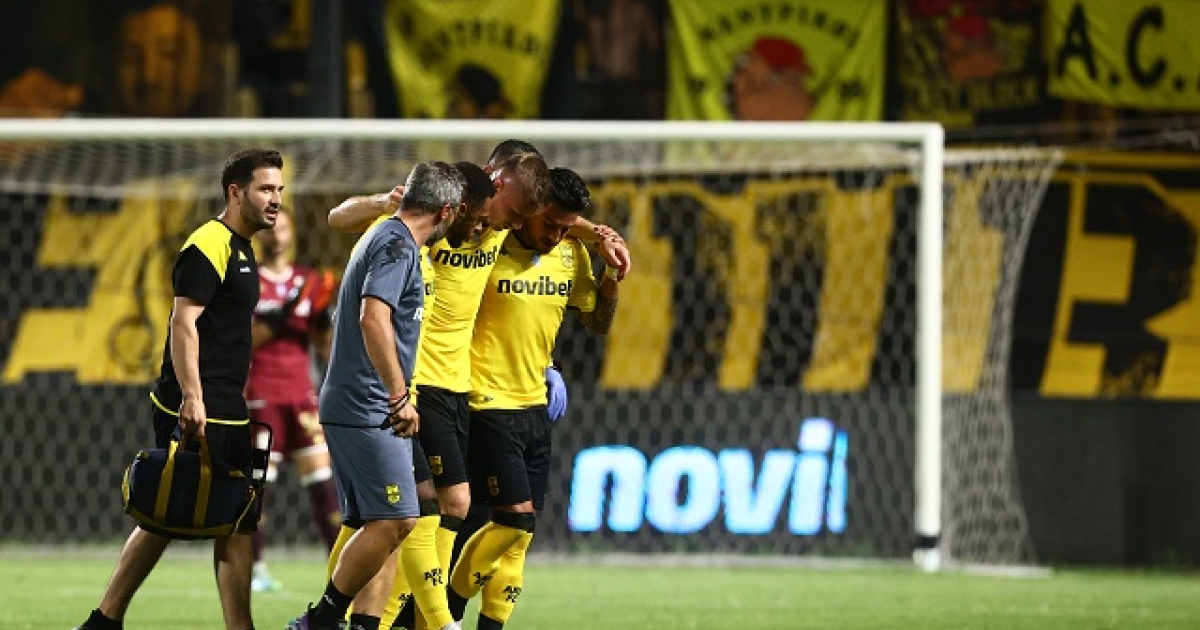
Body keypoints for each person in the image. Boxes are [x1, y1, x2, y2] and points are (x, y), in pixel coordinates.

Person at [72, 148, 285, 630]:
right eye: (265, 189)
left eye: (279, 190)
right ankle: (104, 619)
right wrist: (192, 396)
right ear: (236, 192)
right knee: (166, 513)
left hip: (226, 401)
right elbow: (182, 322)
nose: (275, 199)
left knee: (236, 518)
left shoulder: (242, 246)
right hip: (198, 401)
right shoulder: (208, 243)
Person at [286, 161, 464, 630]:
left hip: (363, 403)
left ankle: (360, 625)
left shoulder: (386, 233)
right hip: (367, 405)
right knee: (395, 521)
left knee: (388, 525)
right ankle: (319, 621)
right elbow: (373, 317)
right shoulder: (397, 245)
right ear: (446, 211)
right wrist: (398, 396)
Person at [446, 167, 623, 629]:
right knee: (514, 522)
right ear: (529, 210)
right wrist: (593, 231)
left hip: (535, 406)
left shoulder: (570, 253)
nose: (556, 235)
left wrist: (612, 275)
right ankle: (444, 611)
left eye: (566, 227)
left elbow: (597, 323)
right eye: (551, 224)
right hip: (485, 400)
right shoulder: (489, 244)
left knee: (518, 539)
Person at [246, 207, 341, 592]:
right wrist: (283, 314)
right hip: (261, 396)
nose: (277, 235)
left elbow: (324, 345)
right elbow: (246, 340)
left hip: (302, 397)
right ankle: (255, 570)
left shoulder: (308, 281)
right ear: (259, 234)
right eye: (270, 229)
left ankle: (339, 571)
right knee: (257, 486)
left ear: (292, 232)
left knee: (323, 484)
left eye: (283, 228)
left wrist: (321, 320)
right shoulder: (248, 280)